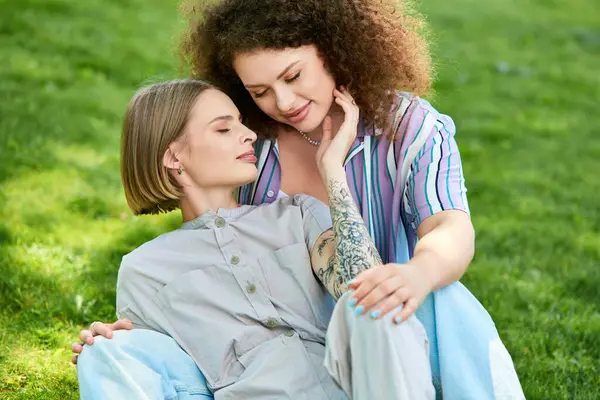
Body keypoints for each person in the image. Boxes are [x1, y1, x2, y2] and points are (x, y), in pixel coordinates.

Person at [74, 1, 525, 398]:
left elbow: (447, 229)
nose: (283, 103)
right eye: (258, 92)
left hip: (385, 329)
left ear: (333, 48)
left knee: (434, 296)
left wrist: (415, 273)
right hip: (266, 366)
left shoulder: (410, 127)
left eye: (292, 76)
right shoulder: (255, 153)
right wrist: (116, 342)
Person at [76, 78, 434, 399]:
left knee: (374, 301)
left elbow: (364, 287)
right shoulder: (145, 270)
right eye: (223, 129)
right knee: (103, 350)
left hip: (356, 387)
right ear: (174, 156)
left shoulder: (297, 215)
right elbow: (164, 372)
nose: (249, 135)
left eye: (242, 124)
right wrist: (110, 344)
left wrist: (333, 173)